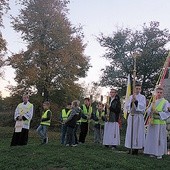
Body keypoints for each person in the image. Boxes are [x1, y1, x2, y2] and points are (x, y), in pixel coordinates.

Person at [144, 87, 170, 159]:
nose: (159, 94)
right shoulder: (153, 101)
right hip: (152, 122)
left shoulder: (165, 102)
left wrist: (158, 112)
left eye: (160, 92)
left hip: (160, 123)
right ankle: (152, 152)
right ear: (156, 93)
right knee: (152, 138)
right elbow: (148, 111)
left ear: (163, 93)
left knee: (159, 138)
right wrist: (150, 111)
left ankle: (159, 153)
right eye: (158, 92)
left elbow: (167, 113)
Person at [125, 83, 146, 155]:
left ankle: (136, 148)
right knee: (131, 132)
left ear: (141, 89)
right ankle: (130, 147)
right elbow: (127, 106)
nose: (138, 90)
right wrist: (131, 102)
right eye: (136, 88)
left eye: (139, 89)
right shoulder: (131, 97)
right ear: (134, 89)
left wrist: (136, 102)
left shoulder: (143, 97)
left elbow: (143, 107)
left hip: (139, 116)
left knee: (137, 132)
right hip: (132, 116)